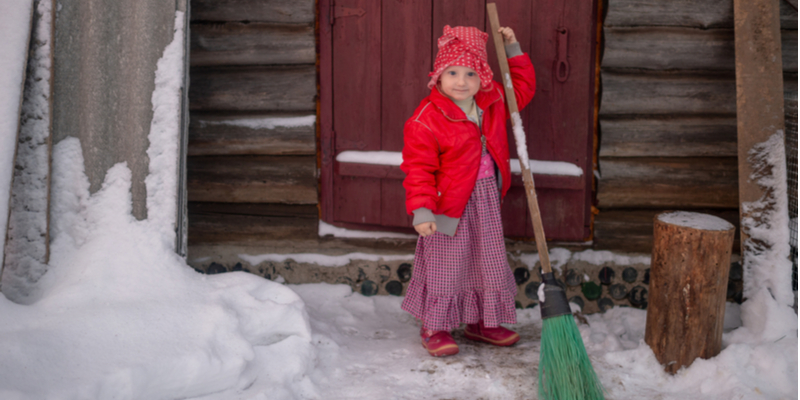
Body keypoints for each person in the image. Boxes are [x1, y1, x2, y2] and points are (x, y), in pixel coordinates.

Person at [400, 25, 536, 357]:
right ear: (438, 76)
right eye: (453, 72)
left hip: (486, 198)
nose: (462, 81)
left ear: (484, 77)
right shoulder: (426, 119)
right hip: (447, 208)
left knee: (487, 262)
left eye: (471, 73)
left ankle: (482, 321)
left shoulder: (492, 102)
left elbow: (522, 88)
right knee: (447, 265)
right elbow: (419, 169)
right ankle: (435, 325)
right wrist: (421, 210)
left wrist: (513, 48)